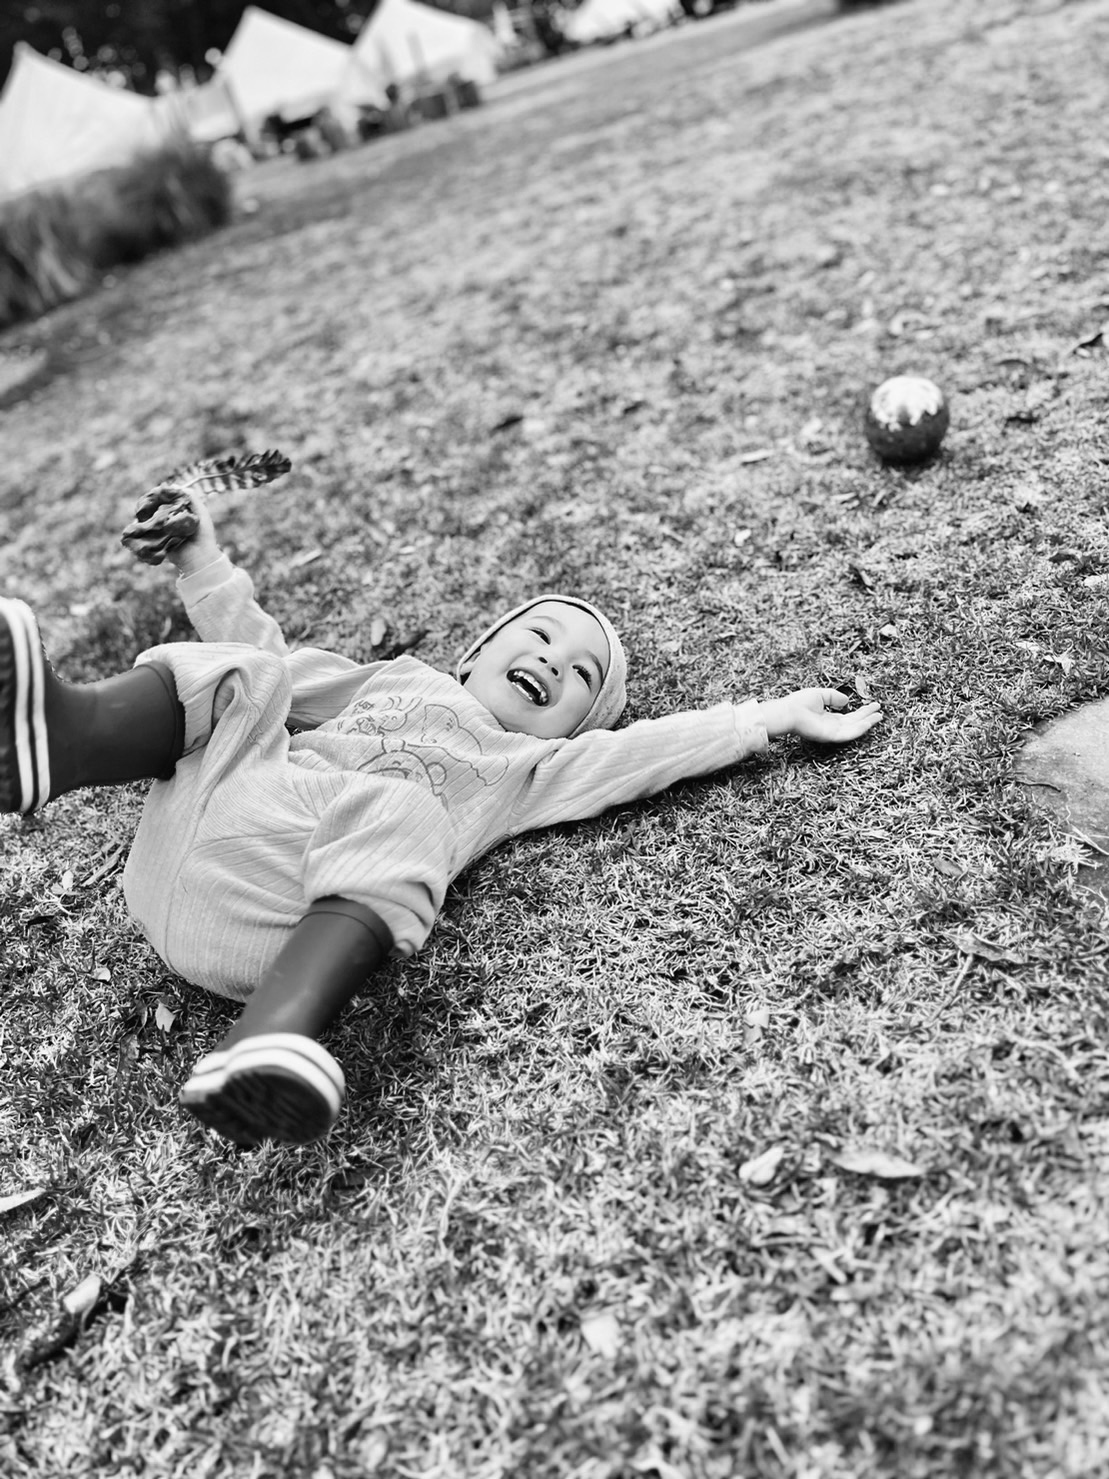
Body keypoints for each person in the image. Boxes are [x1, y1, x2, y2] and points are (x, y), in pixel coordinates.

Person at [0, 493, 883, 1149]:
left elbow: (640, 751)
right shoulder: (396, 678)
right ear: (472, 654)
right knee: (250, 675)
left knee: (405, 810)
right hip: (209, 820)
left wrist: (766, 718)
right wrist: (201, 557)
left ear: (573, 731)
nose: (554, 661)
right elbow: (262, 656)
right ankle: (63, 742)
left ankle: (268, 1037)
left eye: (581, 676)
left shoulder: (528, 767)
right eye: (541, 635)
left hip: (276, 909)